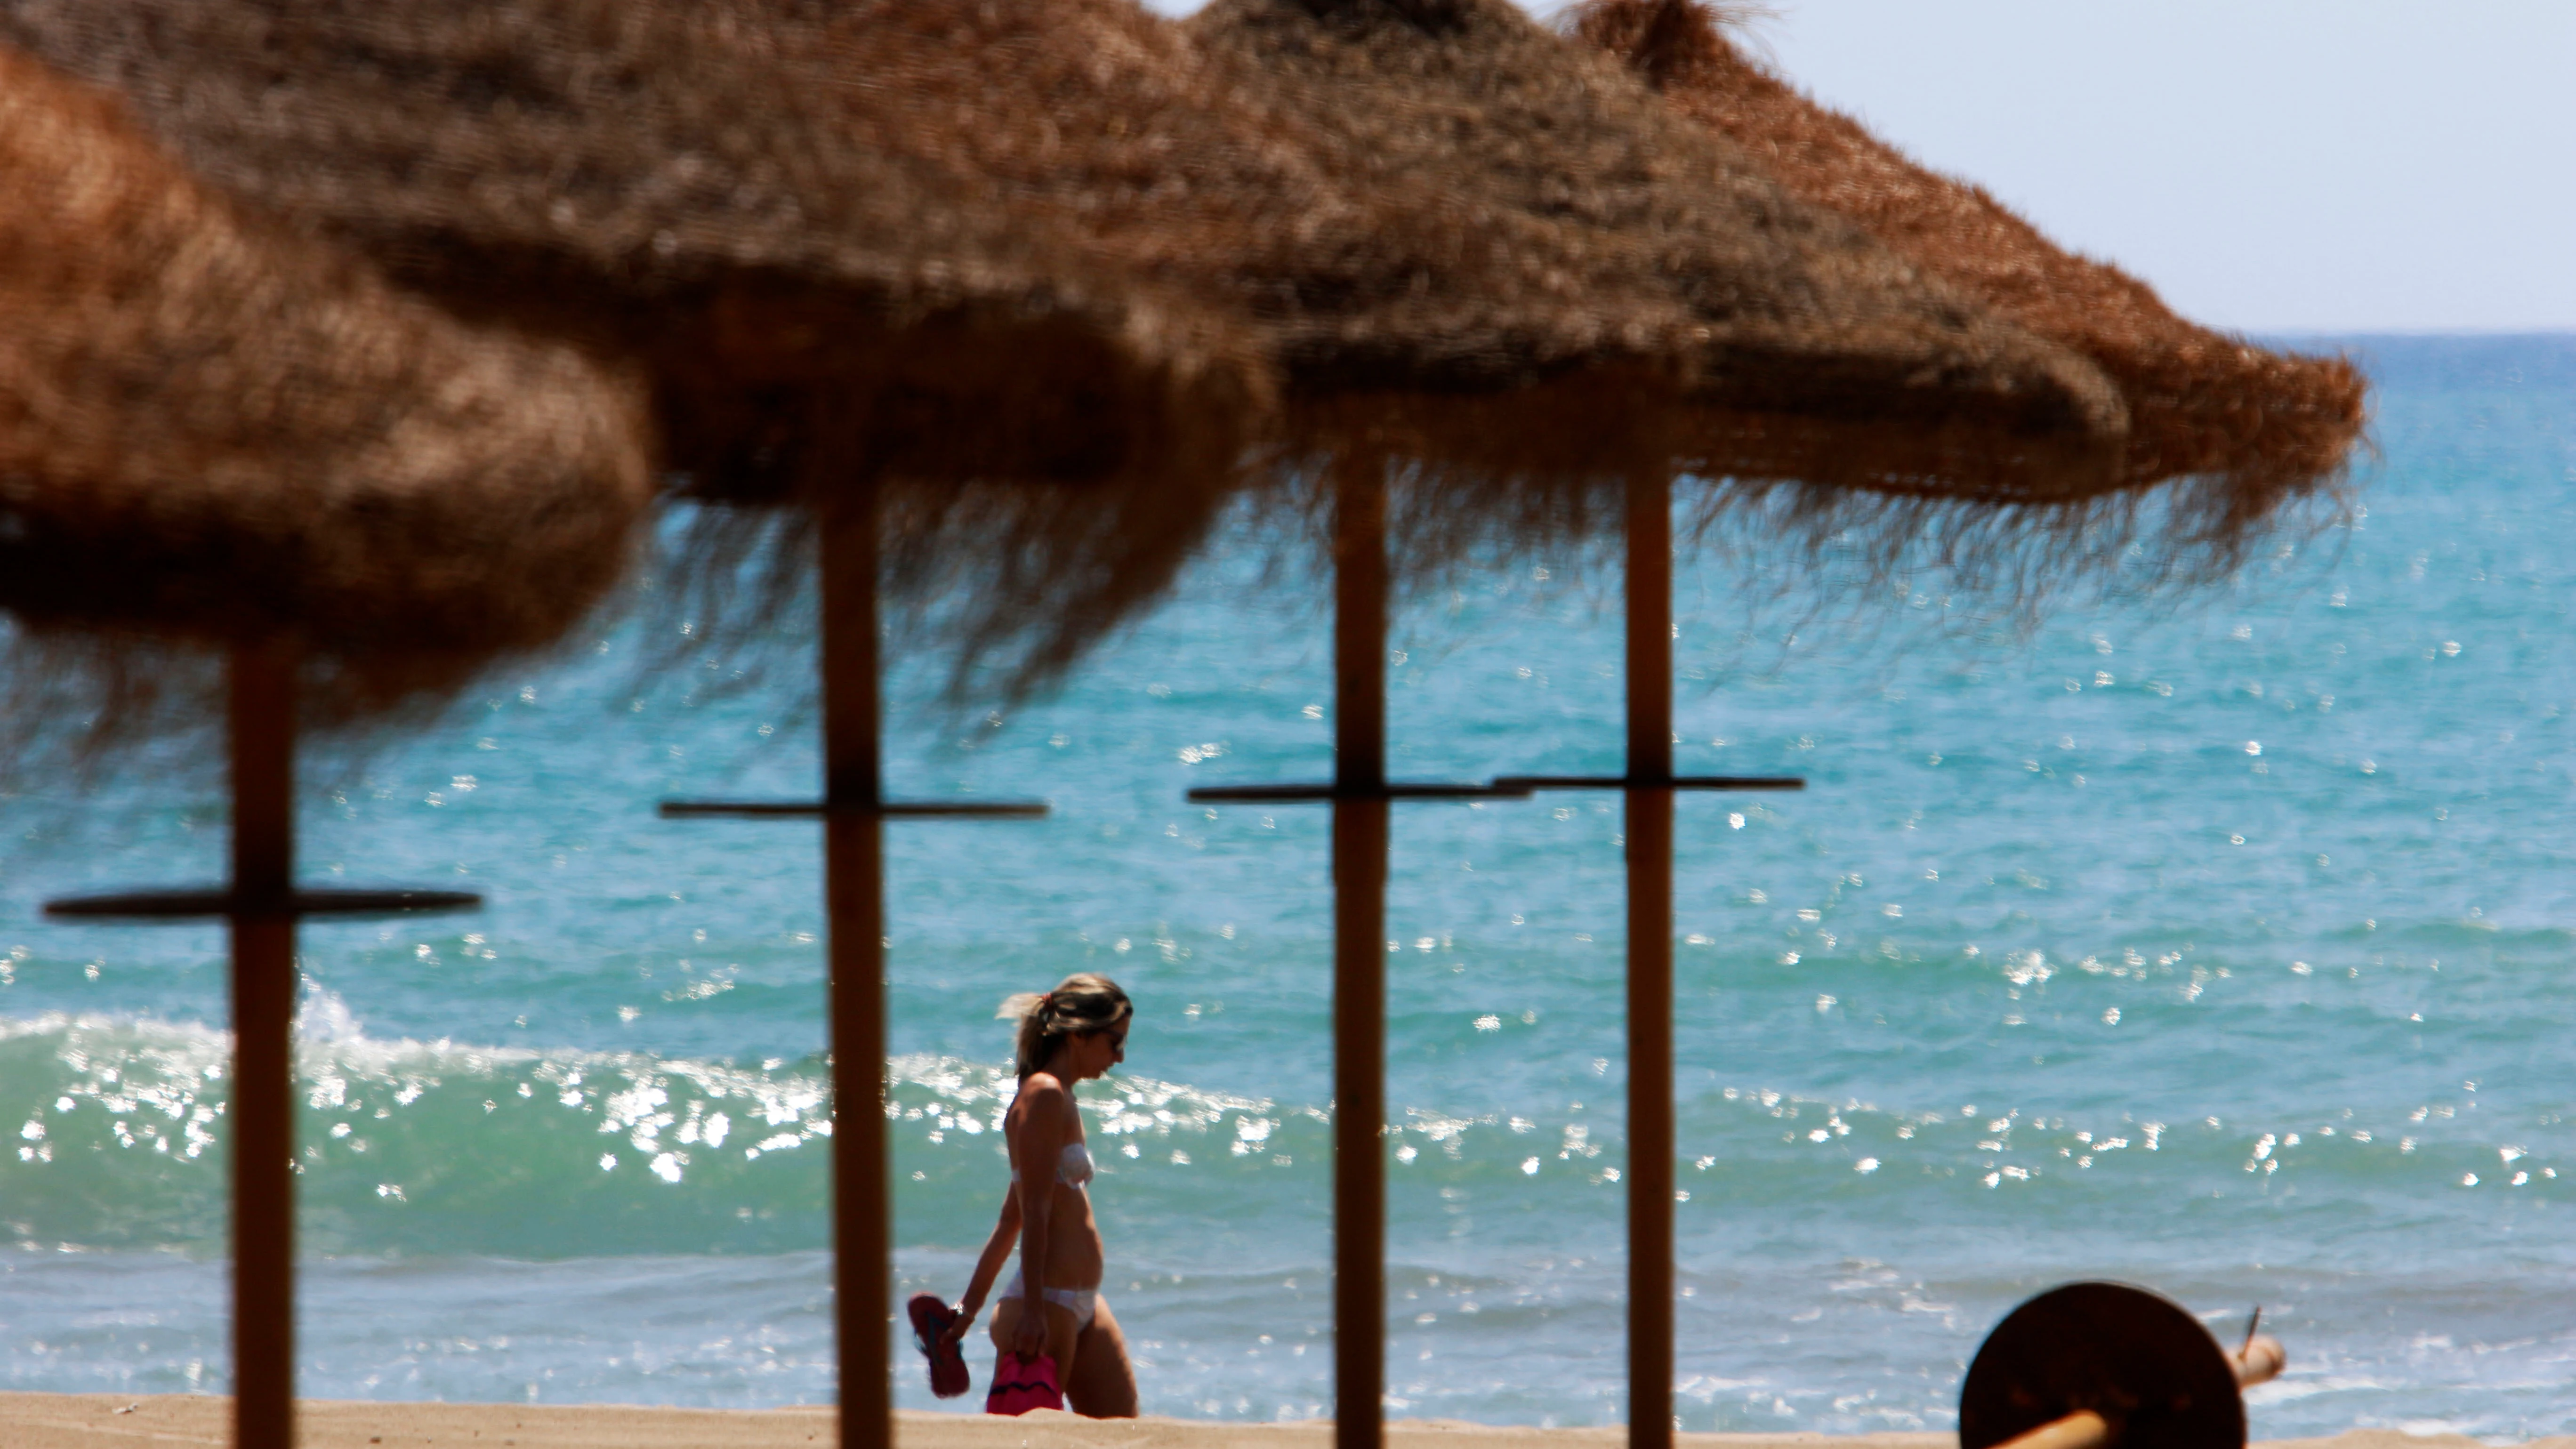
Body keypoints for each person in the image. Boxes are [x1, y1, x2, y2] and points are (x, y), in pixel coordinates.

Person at [939, 973, 1138, 1417]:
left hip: (1078, 1302)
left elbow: (1012, 1218)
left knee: (1122, 1432)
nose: (1120, 1058)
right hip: (1047, 1305)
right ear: (1080, 1035)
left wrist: (966, 1312)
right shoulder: (1045, 1094)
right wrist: (1032, 1311)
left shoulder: (1060, 1095)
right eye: (1115, 1042)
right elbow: (1035, 1209)